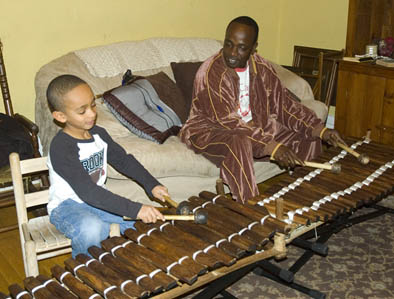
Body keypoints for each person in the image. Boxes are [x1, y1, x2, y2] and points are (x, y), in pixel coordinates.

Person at [179, 16, 344, 203]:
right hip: (209, 131)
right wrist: (271, 146)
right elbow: (229, 122)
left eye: (241, 47)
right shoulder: (211, 72)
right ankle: (251, 208)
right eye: (228, 44)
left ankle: (304, 197)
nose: (233, 53)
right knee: (239, 140)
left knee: (308, 137)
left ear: (253, 48)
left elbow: (284, 106)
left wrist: (320, 129)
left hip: (255, 129)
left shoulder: (262, 68)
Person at [46, 74, 169, 257]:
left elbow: (123, 160)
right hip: (67, 207)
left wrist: (151, 184)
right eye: (82, 111)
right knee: (92, 228)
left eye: (92, 105)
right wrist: (136, 209)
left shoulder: (99, 134)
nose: (92, 114)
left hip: (96, 202)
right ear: (60, 116)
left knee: (147, 224)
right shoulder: (61, 147)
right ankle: (84, 273)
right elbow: (88, 192)